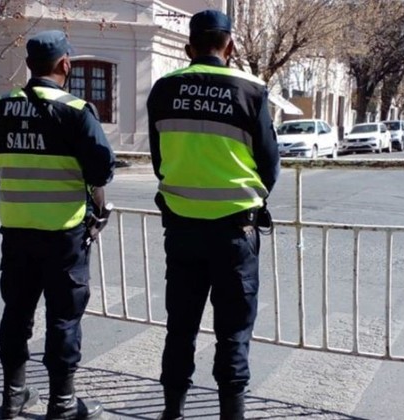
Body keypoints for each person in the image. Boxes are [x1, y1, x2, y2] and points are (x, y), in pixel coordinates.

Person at [146, 10, 280, 420]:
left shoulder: (164, 89)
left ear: (189, 48)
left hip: (182, 230)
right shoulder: (251, 90)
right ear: (231, 46)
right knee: (233, 333)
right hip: (234, 232)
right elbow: (269, 165)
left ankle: (172, 412)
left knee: (180, 328)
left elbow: (159, 160)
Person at [0, 30, 115, 419]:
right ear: (65, 64)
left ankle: (13, 396)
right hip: (64, 235)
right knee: (63, 319)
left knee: (16, 313)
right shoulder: (75, 110)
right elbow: (101, 170)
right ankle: (63, 403)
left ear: (29, 65)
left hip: (17, 231)